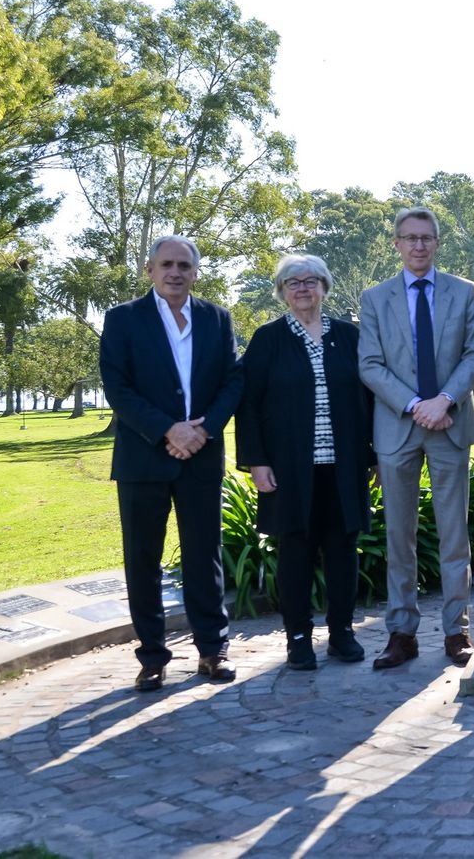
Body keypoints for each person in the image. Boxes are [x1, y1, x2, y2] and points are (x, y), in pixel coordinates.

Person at [98, 235, 244, 692]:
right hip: (143, 458)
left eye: (184, 265)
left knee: (205, 556)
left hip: (201, 457)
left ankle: (212, 651)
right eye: (166, 264)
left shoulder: (216, 319)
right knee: (143, 560)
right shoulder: (123, 319)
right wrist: (168, 429)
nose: (175, 272)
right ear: (150, 270)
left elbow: (233, 380)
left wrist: (203, 429)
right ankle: (153, 657)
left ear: (196, 272)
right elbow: (117, 386)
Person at [359, 207, 474, 669]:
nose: (418, 245)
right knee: (400, 537)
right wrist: (417, 405)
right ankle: (401, 633)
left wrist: (445, 399)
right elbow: (370, 364)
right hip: (397, 428)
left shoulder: (464, 291)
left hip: (450, 426)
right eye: (409, 238)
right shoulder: (374, 298)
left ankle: (457, 631)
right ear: (396, 243)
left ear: (437, 243)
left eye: (426, 238)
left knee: (454, 536)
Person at [236, 255, 373, 670]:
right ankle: (298, 638)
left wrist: (376, 456)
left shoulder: (349, 336)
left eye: (310, 281)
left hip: (344, 467)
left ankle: (342, 633)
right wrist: (256, 461)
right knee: (295, 553)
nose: (302, 289)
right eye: (292, 282)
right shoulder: (268, 338)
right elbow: (248, 405)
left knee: (342, 552)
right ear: (281, 291)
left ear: (324, 287)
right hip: (290, 469)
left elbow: (370, 399)